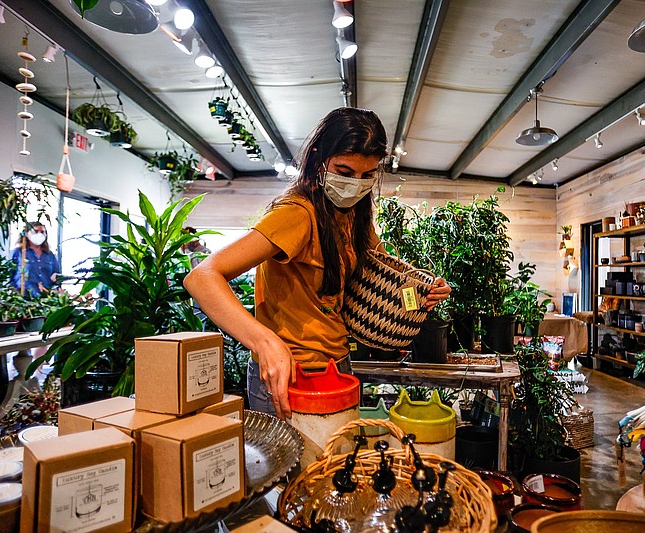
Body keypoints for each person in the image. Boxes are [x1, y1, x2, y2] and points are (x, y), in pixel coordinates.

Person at [184, 108, 451, 421]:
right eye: (344, 171)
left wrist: (423, 289)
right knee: (293, 470)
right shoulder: (296, 216)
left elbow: (383, 269)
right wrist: (265, 342)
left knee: (333, 466)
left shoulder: (353, 215)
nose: (356, 184)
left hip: (338, 364)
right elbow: (202, 277)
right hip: (291, 374)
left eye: (367, 175)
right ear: (317, 160)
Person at [10, 221, 61, 298]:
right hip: (23, 298)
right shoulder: (18, 253)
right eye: (36, 231)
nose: (39, 234)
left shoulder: (50, 255)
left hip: (46, 298)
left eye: (42, 232)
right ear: (27, 234)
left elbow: (57, 277)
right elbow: (9, 276)